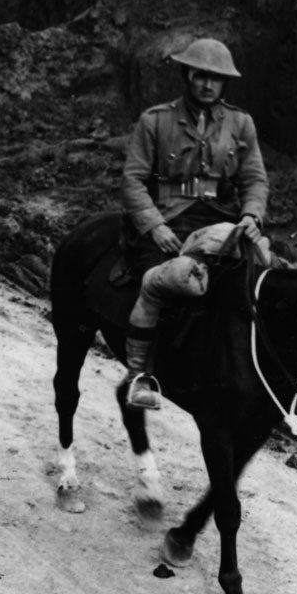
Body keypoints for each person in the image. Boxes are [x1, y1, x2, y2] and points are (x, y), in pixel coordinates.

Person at [119, 38, 270, 410]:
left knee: (266, 272)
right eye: (200, 75)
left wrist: (251, 217)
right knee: (157, 281)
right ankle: (140, 376)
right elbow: (133, 179)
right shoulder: (156, 120)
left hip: (222, 216)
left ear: (224, 83)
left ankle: (274, 374)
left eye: (216, 78)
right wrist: (154, 225)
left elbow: (254, 180)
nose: (207, 84)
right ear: (187, 75)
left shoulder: (240, 123)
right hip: (169, 216)